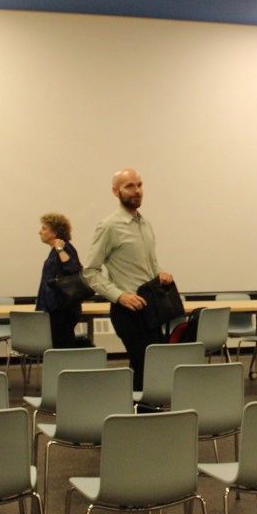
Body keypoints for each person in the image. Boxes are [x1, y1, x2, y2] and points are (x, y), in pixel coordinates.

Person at [83, 168, 172, 391]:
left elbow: (149, 264)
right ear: (116, 192)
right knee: (146, 369)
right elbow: (90, 271)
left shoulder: (145, 224)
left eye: (140, 185)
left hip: (152, 307)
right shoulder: (109, 226)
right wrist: (119, 296)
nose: (137, 191)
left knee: (151, 370)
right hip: (128, 311)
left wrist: (160, 271)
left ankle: (140, 417)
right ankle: (143, 419)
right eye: (130, 186)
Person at [35, 212, 84, 349]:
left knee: (62, 348)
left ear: (55, 232)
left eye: (44, 228)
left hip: (62, 310)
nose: (40, 232)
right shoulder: (54, 251)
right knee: (57, 346)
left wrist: (60, 249)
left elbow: (74, 269)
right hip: (55, 310)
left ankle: (64, 370)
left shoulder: (65, 247)